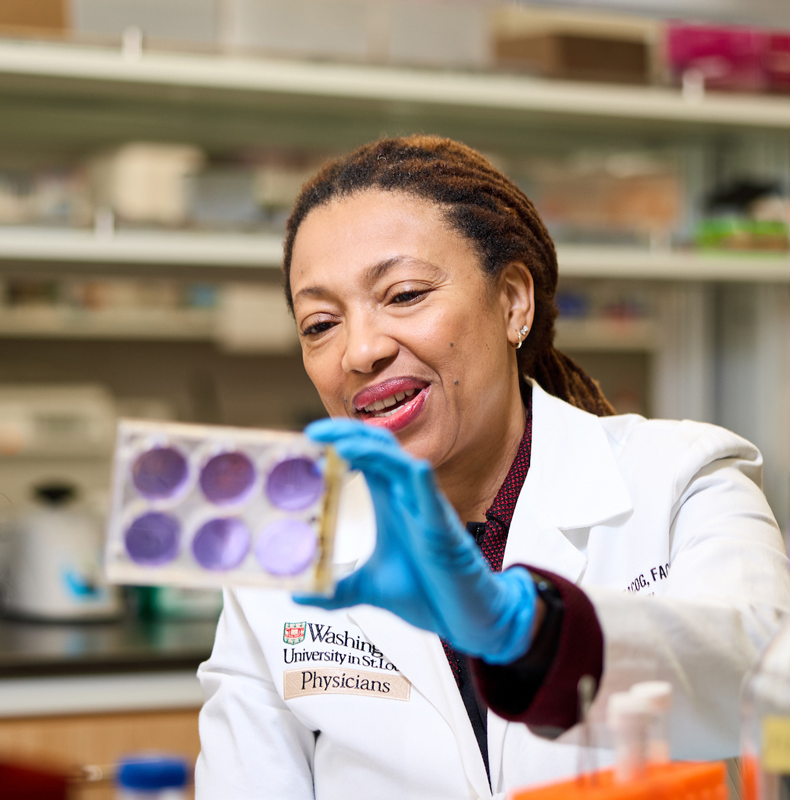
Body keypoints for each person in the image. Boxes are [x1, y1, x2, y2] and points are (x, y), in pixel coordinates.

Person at [195, 136, 790, 798]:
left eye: (404, 293)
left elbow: (768, 691)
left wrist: (527, 629)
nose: (359, 351)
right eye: (319, 324)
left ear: (513, 302)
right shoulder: (281, 554)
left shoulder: (681, 478)